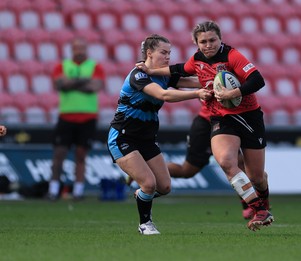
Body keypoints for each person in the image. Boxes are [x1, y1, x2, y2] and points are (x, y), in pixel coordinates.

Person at [136, 21, 274, 231]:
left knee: (256, 176)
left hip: (249, 117)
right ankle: (258, 209)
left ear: (220, 39)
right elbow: (178, 69)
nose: (208, 45)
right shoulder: (197, 59)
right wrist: (151, 69)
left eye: (212, 40)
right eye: (203, 42)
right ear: (196, 43)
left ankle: (263, 202)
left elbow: (258, 80)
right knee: (227, 161)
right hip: (222, 118)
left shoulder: (232, 56)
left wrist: (232, 93)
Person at [107, 34, 212, 235]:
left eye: (169, 53)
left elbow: (192, 82)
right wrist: (197, 94)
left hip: (146, 140)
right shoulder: (139, 75)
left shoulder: (164, 75)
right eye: (163, 52)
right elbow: (163, 95)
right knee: (149, 183)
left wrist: (214, 79)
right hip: (122, 137)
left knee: (164, 187)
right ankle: (145, 224)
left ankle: (141, 196)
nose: (168, 57)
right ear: (149, 53)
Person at [47, 37, 105, 201]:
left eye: (82, 48)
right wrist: (83, 81)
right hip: (66, 115)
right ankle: (53, 190)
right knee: (59, 153)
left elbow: (94, 87)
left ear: (86, 49)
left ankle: (78, 191)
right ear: (72, 50)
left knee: (81, 155)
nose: (79, 51)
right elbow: (59, 84)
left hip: (88, 116)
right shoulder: (62, 65)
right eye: (76, 48)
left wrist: (71, 83)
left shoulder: (95, 66)